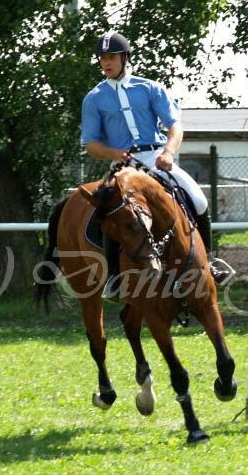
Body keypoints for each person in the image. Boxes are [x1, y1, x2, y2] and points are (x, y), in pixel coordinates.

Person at [80, 30, 234, 300]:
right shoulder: (93, 98)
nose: (106, 62)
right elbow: (90, 144)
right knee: (110, 210)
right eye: (102, 58)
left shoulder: (149, 88)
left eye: (111, 57)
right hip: (123, 166)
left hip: (156, 156)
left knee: (199, 200)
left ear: (125, 58)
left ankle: (209, 262)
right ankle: (114, 277)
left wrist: (169, 152)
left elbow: (175, 126)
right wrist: (115, 153)